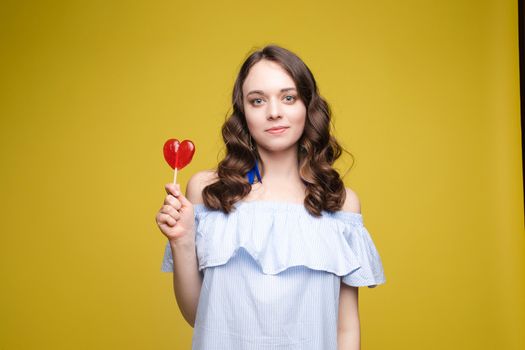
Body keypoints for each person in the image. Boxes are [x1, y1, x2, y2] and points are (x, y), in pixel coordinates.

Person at [155, 44, 386, 350]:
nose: (274, 112)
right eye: (258, 100)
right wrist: (182, 241)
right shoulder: (208, 191)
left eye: (288, 98)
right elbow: (200, 317)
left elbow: (345, 329)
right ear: (244, 113)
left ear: (307, 107)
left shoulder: (339, 202)